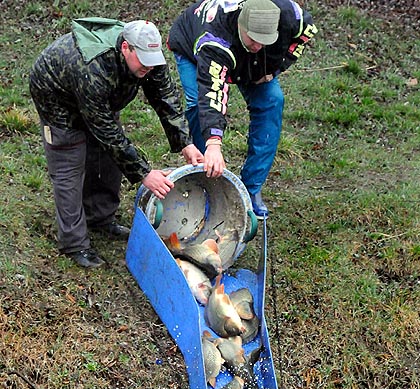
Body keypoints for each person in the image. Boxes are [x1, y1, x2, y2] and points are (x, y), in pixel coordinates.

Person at [29, 18, 204, 268]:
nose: (149, 67)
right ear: (126, 48)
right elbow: (106, 131)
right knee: (69, 163)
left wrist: (185, 142)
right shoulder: (93, 67)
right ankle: (74, 243)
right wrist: (144, 173)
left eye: (152, 61)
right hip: (56, 95)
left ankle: (99, 217)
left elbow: (166, 97)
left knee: (106, 156)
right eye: (142, 60)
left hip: (101, 96)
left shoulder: (149, 59)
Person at [168, 0, 317, 218]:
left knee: (272, 100)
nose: (258, 45)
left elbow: (306, 32)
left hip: (245, 58)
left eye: (265, 41)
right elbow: (212, 96)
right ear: (241, 24)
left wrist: (276, 67)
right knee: (197, 106)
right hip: (192, 48)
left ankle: (251, 189)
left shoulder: (289, 15)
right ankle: (205, 183)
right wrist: (214, 144)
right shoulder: (214, 41)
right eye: (254, 40)